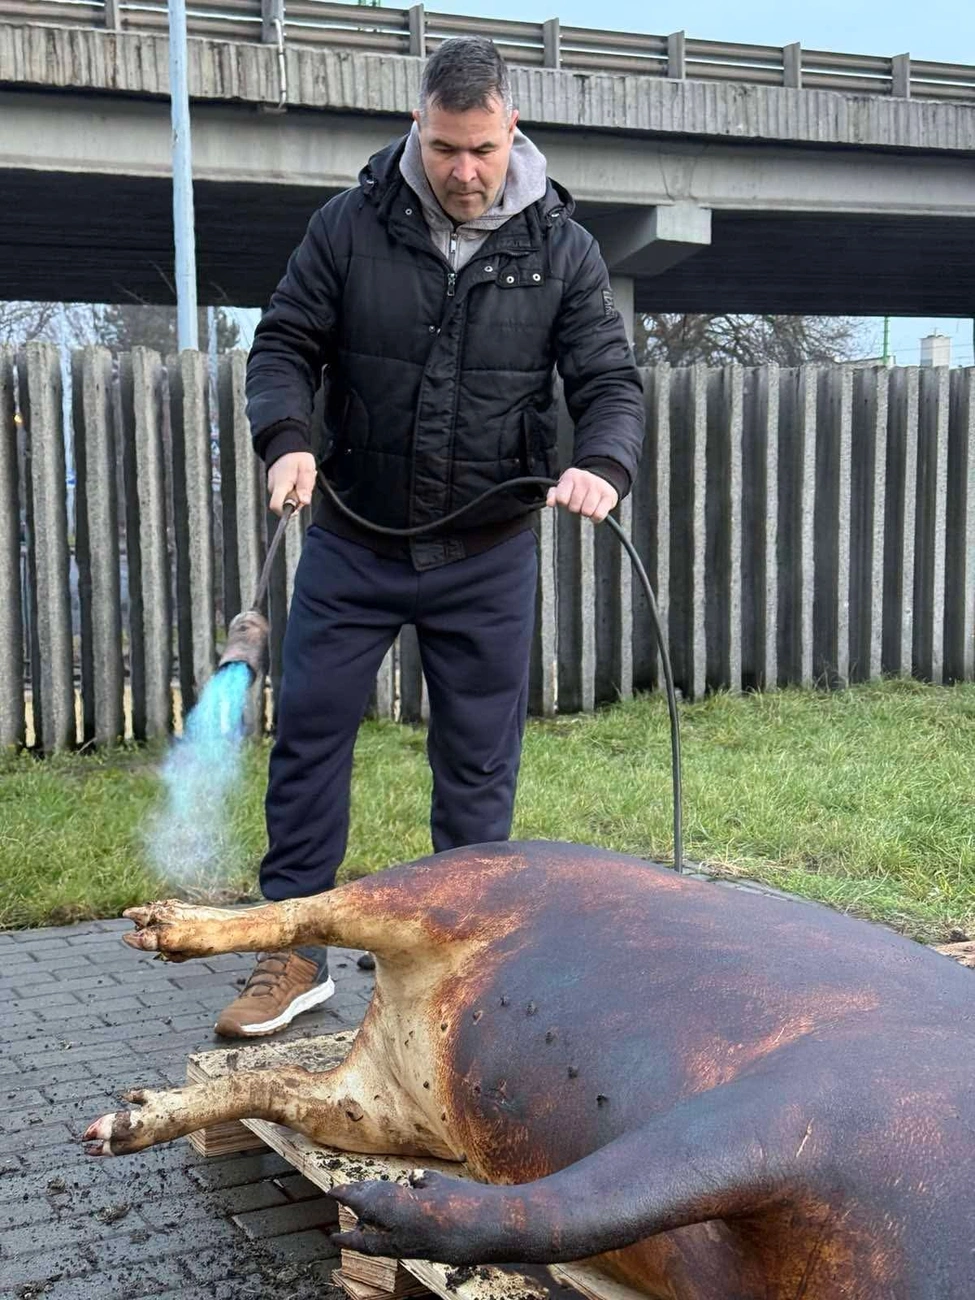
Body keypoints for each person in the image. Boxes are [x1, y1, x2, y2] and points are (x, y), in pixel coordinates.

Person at [214, 36, 645, 1038]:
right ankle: (295, 954)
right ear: (419, 126)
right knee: (311, 739)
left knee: (478, 770)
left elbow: (608, 384)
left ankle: (455, 967)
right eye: (446, 147)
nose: (463, 171)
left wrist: (606, 464)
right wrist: (286, 438)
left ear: (512, 132)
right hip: (353, 543)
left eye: (482, 149)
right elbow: (282, 344)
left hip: (486, 554)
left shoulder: (562, 250)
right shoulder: (347, 226)